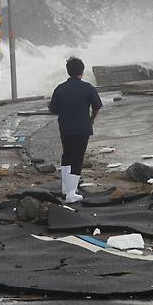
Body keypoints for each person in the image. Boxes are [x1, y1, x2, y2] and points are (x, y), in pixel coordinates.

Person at [49, 57, 103, 203]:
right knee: (77, 159)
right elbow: (97, 106)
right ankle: (71, 194)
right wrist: (91, 118)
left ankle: (65, 189)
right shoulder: (88, 88)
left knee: (66, 155)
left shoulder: (60, 88)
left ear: (68, 71)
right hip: (82, 128)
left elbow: (53, 109)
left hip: (65, 127)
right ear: (82, 71)